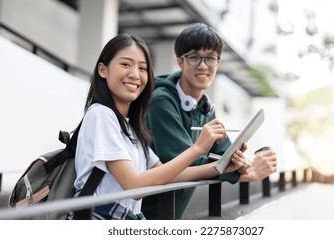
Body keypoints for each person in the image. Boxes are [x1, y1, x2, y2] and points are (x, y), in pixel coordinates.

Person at [72, 33, 246, 220]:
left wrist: (220, 168)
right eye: (125, 64)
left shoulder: (130, 127)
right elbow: (134, 186)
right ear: (102, 70)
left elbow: (167, 174)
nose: (134, 74)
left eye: (143, 68)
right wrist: (197, 149)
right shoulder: (101, 115)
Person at [141, 23, 277, 219]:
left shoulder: (205, 106)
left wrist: (242, 162)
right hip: (144, 215)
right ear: (180, 61)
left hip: (170, 214)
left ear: (218, 62)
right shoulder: (160, 101)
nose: (203, 66)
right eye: (194, 57)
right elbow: (179, 161)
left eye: (211, 58)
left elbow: (223, 156)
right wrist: (241, 173)